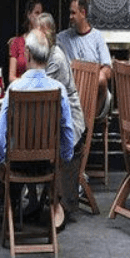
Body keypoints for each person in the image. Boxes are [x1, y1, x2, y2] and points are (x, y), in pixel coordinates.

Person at [0, 29, 75, 232]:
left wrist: (0, 160)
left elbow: (0, 138)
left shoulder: (14, 90)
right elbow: (67, 131)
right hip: (47, 165)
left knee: (0, 151)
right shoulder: (59, 90)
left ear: (27, 53)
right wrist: (63, 158)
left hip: (18, 164)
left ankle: (12, 208)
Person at [37, 12, 86, 218]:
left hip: (67, 126)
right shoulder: (46, 54)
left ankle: (53, 203)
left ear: (47, 34)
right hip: (50, 120)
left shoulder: (55, 58)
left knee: (21, 138)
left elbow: (35, 89)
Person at [56, 0, 112, 117]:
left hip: (95, 95)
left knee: (102, 78)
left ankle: (88, 123)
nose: (70, 16)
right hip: (74, 94)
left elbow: (108, 69)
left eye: (73, 13)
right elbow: (46, 42)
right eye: (70, 13)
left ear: (83, 13)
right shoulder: (63, 38)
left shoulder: (97, 37)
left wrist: (91, 78)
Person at [9, 0, 43, 83]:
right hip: (21, 90)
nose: (40, 17)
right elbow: (11, 78)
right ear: (29, 15)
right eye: (37, 13)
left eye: (42, 14)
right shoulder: (17, 42)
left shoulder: (44, 42)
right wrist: (27, 83)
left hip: (41, 89)